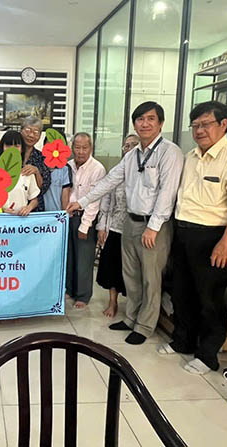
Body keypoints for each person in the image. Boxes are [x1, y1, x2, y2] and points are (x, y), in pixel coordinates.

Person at [67, 101, 184, 344]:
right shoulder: (132, 155)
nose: (145, 124)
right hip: (130, 221)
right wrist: (82, 202)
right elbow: (110, 181)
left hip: (154, 225)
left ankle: (145, 326)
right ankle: (131, 318)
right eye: (140, 119)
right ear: (134, 124)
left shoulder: (170, 152)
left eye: (151, 119)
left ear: (161, 123)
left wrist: (153, 227)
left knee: (150, 277)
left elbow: (167, 193)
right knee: (130, 274)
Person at [157, 101, 227, 375]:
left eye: (206, 124)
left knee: (211, 299)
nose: (200, 130)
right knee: (182, 292)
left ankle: (207, 354)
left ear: (223, 124)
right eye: (195, 125)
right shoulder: (190, 157)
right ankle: (183, 341)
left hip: (216, 237)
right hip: (184, 234)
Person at [96, 134, 140, 318]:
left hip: (138, 228)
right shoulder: (116, 171)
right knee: (112, 266)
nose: (129, 149)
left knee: (134, 270)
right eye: (126, 146)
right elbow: (106, 201)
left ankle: (133, 306)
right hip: (115, 227)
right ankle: (112, 302)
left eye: (133, 145)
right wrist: (102, 226)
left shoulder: (144, 171)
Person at [65, 133, 105, 309]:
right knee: (69, 256)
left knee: (84, 259)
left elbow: (95, 199)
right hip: (69, 216)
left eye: (85, 148)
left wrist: (85, 225)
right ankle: (70, 289)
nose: (80, 151)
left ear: (91, 148)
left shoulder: (97, 168)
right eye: (77, 147)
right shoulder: (68, 165)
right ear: (72, 148)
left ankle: (83, 295)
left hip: (86, 217)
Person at [0, 131, 40, 216]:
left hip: (21, 220)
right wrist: (1, 210)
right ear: (2, 147)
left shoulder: (27, 172)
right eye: (8, 145)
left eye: (16, 146)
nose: (12, 149)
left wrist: (28, 208)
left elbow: (34, 199)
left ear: (22, 149)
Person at [21, 116, 51, 211]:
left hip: (35, 209)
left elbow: (44, 188)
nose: (31, 135)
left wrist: (36, 172)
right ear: (21, 131)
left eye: (36, 132)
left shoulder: (42, 158)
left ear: (39, 136)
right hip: (13, 207)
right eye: (28, 130)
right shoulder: (11, 154)